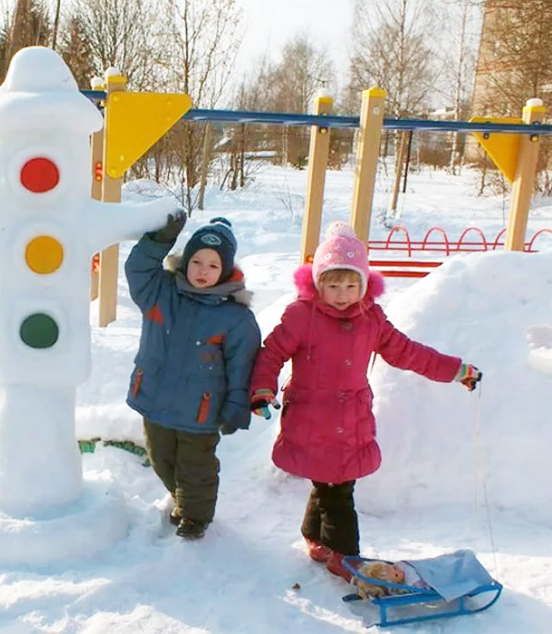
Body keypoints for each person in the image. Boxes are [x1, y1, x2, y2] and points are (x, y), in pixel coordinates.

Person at [249, 221, 482, 580]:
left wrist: (455, 369)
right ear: (318, 284)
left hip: (351, 419)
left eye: (350, 284)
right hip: (311, 417)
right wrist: (263, 389)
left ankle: (315, 537)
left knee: (332, 483)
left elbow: (408, 352)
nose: (342, 294)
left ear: (363, 284)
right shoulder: (301, 317)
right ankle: (346, 556)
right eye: (333, 285)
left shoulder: (370, 319)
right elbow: (271, 354)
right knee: (336, 488)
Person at [125, 213, 261, 539]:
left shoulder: (235, 317)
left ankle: (195, 516)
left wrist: (237, 404)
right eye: (196, 261)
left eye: (213, 265)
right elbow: (138, 269)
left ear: (225, 270)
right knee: (161, 459)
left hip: (200, 411)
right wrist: (158, 241)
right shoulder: (160, 291)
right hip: (155, 399)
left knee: (195, 468)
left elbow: (243, 365)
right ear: (185, 261)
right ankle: (182, 498)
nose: (202, 270)